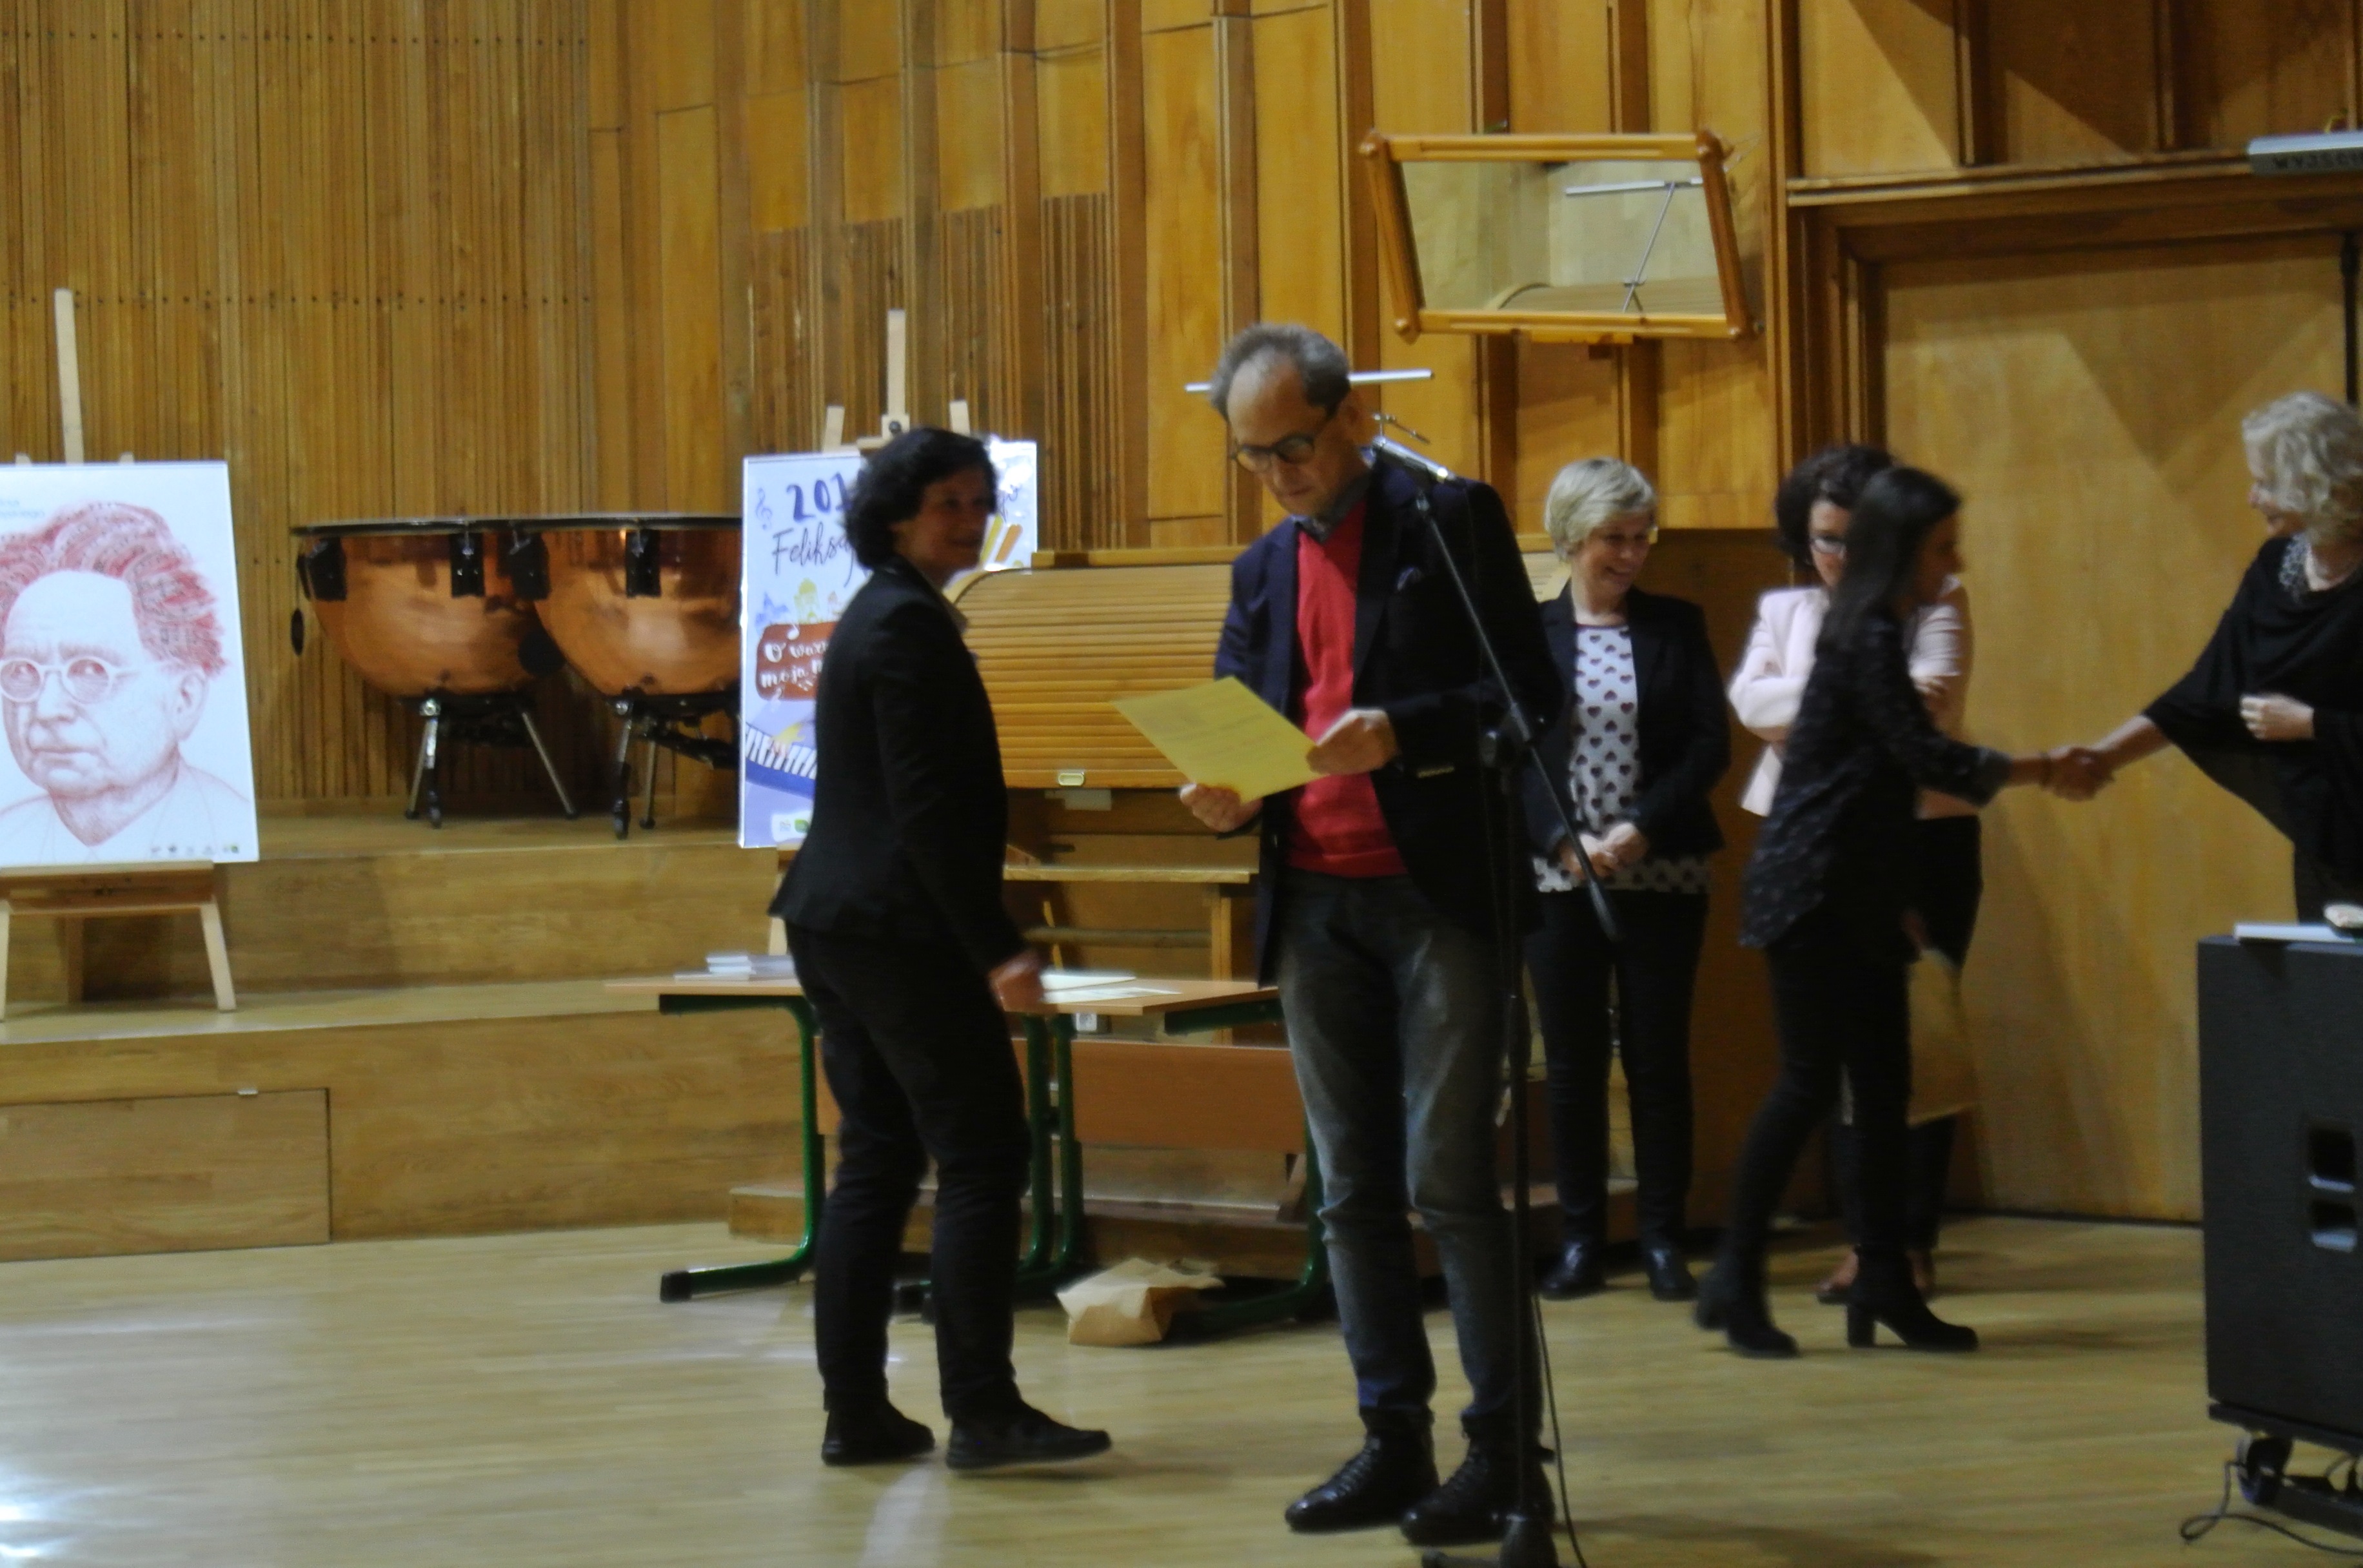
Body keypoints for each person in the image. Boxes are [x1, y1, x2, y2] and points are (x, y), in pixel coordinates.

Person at [1179, 324, 1561, 1548]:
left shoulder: (1447, 522)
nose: (1275, 475)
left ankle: (1501, 1455)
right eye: (1251, 457)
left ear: (1350, 417)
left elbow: (1527, 694)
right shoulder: (1260, 567)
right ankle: (1391, 1439)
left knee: (1449, 1179)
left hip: (1437, 894)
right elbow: (1242, 710)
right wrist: (1223, 787)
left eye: (1290, 447)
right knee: (1348, 1190)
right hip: (1313, 900)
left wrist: (1404, 730)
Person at [1699, 466, 2102, 1360]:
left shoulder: (1868, 627)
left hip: (1862, 884)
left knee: (1885, 1089)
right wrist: (2045, 768)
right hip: (1811, 885)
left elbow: (1888, 768)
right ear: (1904, 550)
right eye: (1942, 548)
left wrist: (1895, 899)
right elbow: (1925, 753)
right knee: (1808, 1084)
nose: (1954, 564)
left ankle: (1885, 1275)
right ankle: (1735, 1276)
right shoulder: (1865, 635)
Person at [771, 427, 1110, 1473]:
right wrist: (998, 948)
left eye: (978, 501)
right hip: (899, 930)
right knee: (982, 1157)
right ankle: (984, 1410)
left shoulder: (880, 613)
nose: (971, 520)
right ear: (893, 516)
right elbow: (925, 812)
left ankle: (856, 1414)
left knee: (877, 1158)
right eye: (948, 504)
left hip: (839, 919)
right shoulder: (907, 627)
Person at [1730, 444, 1979, 1302]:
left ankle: (1911, 1242)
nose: (1836, 557)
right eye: (1822, 540)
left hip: (1924, 838)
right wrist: (1858, 702)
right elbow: (1746, 702)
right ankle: (1864, 1244)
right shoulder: (1785, 608)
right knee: (1834, 1058)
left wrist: (1817, 708)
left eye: (1851, 538)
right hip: (1810, 847)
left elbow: (1932, 699)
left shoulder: (1939, 596)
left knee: (1916, 1047)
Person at [1520, 458, 1727, 1305]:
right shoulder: (1529, 632)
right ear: (1571, 538)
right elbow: (1516, 756)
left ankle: (1662, 1239)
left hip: (1662, 867)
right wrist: (1561, 840)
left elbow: (1709, 745)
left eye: (1643, 538)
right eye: (1615, 538)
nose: (1633, 555)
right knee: (1571, 1067)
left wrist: (1642, 826)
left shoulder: (1676, 624)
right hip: (1559, 875)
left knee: (1657, 1059)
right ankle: (1580, 1241)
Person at [2075, 391, 2363, 916]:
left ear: (2314, 484)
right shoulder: (2276, 567)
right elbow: (2207, 691)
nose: (2253, 498)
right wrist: (2104, 756)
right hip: (2328, 835)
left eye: (2266, 483)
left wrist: (2313, 724)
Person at [0, 501, 252, 863]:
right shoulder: (8, 838)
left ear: (184, 699)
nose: (47, 708)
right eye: (23, 671)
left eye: (91, 671)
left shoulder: (228, 826)